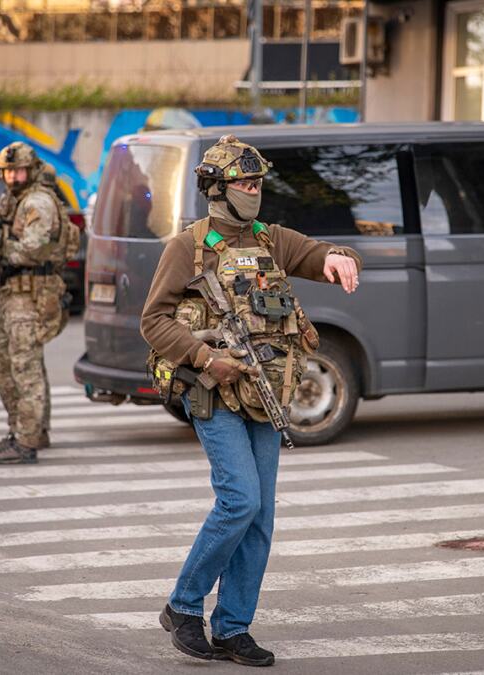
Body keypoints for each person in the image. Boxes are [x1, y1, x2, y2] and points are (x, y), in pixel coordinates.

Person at [141, 135, 362, 667]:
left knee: (260, 516)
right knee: (240, 500)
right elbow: (153, 321)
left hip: (265, 393)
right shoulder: (188, 247)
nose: (254, 190)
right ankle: (183, 606)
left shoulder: (271, 239)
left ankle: (233, 628)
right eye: (244, 182)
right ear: (217, 189)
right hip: (211, 392)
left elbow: (319, 254)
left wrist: (339, 257)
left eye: (259, 181)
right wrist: (203, 357)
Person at [0, 143, 70, 465]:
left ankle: (26, 440)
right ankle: (29, 429)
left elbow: (35, 247)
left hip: (30, 295)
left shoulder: (37, 201)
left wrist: (1, 256)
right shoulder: (15, 200)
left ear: (30, 171)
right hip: (12, 294)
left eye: (18, 172)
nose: (13, 178)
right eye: (8, 172)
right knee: (0, 363)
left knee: (24, 367)